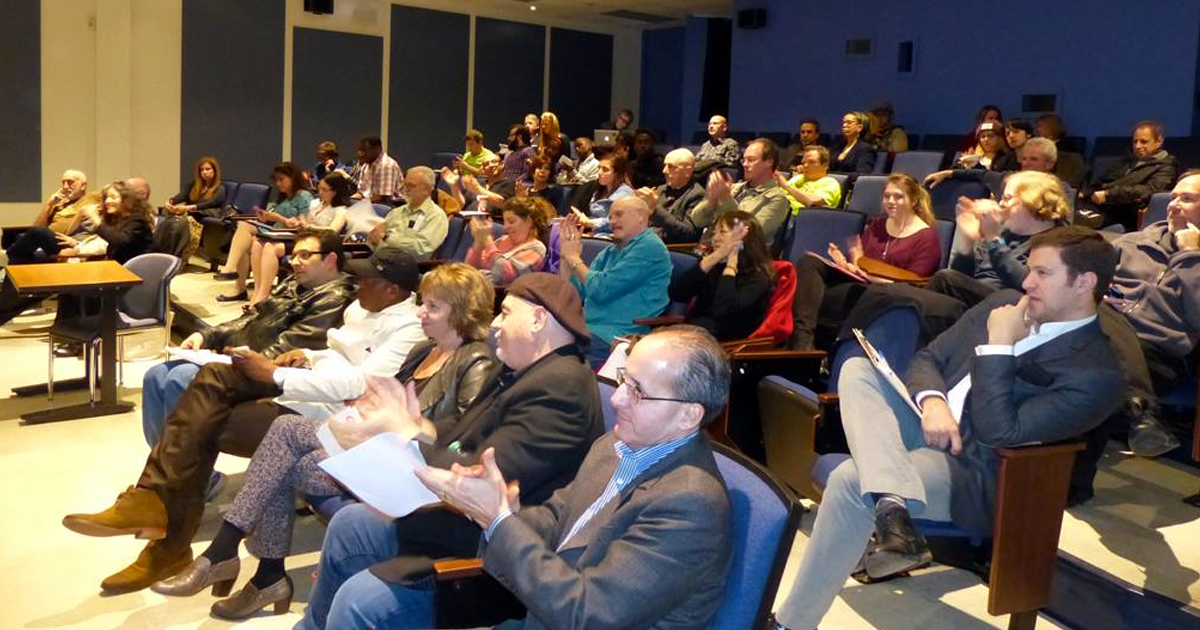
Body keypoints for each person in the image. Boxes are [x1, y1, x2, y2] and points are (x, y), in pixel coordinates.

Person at [772, 226, 1125, 630]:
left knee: (853, 481)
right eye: (1029, 270)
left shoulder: (1097, 374)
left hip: (975, 469)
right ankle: (893, 506)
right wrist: (933, 401)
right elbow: (928, 359)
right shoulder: (1005, 301)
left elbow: (1001, 433)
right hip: (925, 424)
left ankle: (791, 622)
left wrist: (999, 346)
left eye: (1043, 274)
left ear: (1085, 283)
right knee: (858, 368)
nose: (1026, 282)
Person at [149, 263, 494, 620]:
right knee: (286, 451)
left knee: (285, 432)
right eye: (423, 302)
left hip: (415, 474)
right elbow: (382, 398)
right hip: (379, 452)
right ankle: (260, 572)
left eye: (433, 307)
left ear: (463, 312)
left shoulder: (476, 360)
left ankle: (233, 558)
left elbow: (460, 436)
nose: (421, 311)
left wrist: (403, 424)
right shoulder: (423, 350)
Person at [296, 272, 604, 630]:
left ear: (538, 320)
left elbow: (478, 478)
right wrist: (420, 429)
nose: (496, 325)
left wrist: (404, 432)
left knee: (359, 599)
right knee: (350, 524)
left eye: (505, 313)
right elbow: (461, 437)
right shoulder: (523, 370)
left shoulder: (559, 387)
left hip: (493, 551)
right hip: (462, 521)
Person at [62, 229, 357, 594]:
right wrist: (209, 336)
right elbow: (249, 321)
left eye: (303, 255)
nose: (292, 261)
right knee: (159, 376)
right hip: (251, 364)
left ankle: (166, 500)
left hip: (278, 376)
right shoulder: (292, 287)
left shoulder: (339, 297)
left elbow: (292, 347)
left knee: (185, 381)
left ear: (330, 260)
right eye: (292, 255)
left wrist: (228, 356)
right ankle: (168, 494)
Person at [416, 325, 734, 630]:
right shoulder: (613, 446)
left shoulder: (691, 505)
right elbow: (558, 517)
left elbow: (587, 615)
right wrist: (504, 513)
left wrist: (499, 521)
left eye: (638, 392)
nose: (616, 399)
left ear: (688, 415)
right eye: (624, 380)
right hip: (538, 609)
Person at [842, 171, 1071, 343]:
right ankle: (847, 349)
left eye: (1009, 198)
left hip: (1010, 310)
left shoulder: (1057, 240)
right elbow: (964, 277)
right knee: (888, 294)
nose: (1001, 203)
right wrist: (967, 241)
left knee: (939, 283)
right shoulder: (1002, 232)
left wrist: (992, 240)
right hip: (969, 305)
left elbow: (1029, 284)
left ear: (1033, 202)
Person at [1100, 171, 1200, 460]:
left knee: (1085, 376)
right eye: (1173, 197)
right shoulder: (1132, 242)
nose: (1173, 204)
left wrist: (1191, 255)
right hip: (1103, 331)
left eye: (1187, 199)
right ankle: (1143, 414)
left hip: (1159, 353)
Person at [790, 173, 940, 350]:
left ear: (914, 200)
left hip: (888, 294)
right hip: (862, 283)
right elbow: (863, 265)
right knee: (809, 262)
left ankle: (802, 346)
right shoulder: (878, 225)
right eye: (887, 196)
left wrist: (871, 276)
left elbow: (914, 287)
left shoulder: (927, 237)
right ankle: (803, 342)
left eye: (898, 197)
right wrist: (845, 264)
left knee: (815, 296)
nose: (890, 201)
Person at [559, 196, 672, 368]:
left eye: (618, 215)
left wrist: (574, 258)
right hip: (585, 329)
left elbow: (601, 290)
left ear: (641, 216)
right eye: (610, 217)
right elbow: (573, 293)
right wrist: (565, 255)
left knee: (555, 370)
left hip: (614, 337)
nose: (612, 221)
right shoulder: (610, 251)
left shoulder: (650, 247)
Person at [245, 171, 353, 308]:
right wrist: (299, 222)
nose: (320, 192)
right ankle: (257, 292)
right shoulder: (316, 205)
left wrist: (310, 227)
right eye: (319, 189)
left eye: (324, 190)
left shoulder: (341, 210)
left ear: (335, 192)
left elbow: (333, 231)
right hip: (304, 238)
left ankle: (263, 297)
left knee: (269, 248)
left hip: (318, 245)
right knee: (257, 244)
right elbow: (305, 222)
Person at [215, 162, 313, 302]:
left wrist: (280, 218)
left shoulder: (304, 196)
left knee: (250, 239)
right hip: (275, 231)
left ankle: (239, 278)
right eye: (276, 180)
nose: (278, 183)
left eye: (282, 179)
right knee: (243, 230)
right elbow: (272, 214)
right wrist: (265, 216)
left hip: (290, 235)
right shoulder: (282, 196)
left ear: (293, 178)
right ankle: (242, 287)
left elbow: (304, 224)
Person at [670, 211, 775, 340]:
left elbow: (724, 312)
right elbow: (677, 293)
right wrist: (715, 257)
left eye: (722, 232)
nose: (715, 238)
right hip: (692, 335)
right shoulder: (713, 265)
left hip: (724, 345)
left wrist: (731, 265)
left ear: (743, 240)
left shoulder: (758, 276)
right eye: (714, 232)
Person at [1082, 120, 1179, 232]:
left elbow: (1150, 190)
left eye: (1144, 142)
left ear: (1158, 142)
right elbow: (1104, 181)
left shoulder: (1167, 166)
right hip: (1101, 207)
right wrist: (1086, 192)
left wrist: (1109, 194)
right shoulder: (1128, 161)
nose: (1138, 146)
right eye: (1135, 141)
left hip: (1125, 214)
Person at [692, 138, 791, 243]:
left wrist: (725, 199)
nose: (744, 164)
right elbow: (697, 220)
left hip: (743, 256)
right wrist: (711, 200)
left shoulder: (777, 199)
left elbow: (749, 236)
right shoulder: (733, 188)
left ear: (769, 162)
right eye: (744, 160)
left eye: (751, 160)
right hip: (712, 248)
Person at [926, 137, 1059, 199]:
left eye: (1034, 159)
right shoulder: (1009, 178)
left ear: (1050, 164)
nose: (1026, 163)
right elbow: (981, 174)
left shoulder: (1060, 190)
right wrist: (949, 173)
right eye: (1024, 158)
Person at [368, 166, 449, 261]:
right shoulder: (396, 212)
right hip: (380, 260)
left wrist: (386, 238)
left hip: (405, 267)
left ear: (427, 189)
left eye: (411, 185)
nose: (405, 189)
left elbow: (421, 250)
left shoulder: (436, 216)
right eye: (405, 185)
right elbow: (375, 240)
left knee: (351, 268)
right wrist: (374, 238)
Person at [154, 156, 226, 262]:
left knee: (180, 224)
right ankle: (160, 254)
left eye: (208, 169)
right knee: (166, 220)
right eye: (202, 170)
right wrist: (170, 202)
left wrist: (188, 208)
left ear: (215, 171)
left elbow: (211, 203)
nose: (205, 172)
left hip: (203, 214)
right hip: (189, 213)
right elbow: (181, 196)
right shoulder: (193, 185)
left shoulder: (220, 188)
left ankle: (176, 258)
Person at [466, 196, 550, 284]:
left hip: (497, 294)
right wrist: (479, 241)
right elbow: (470, 267)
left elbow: (506, 275)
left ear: (529, 222)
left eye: (511, 221)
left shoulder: (537, 248)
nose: (505, 227)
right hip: (474, 285)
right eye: (504, 222)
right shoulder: (503, 240)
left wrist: (487, 239)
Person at [636, 147, 707, 243]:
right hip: (646, 241)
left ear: (688, 171)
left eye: (671, 166)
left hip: (671, 249)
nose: (664, 171)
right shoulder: (661, 189)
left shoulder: (698, 195)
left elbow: (689, 233)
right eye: (665, 165)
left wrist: (655, 209)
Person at [775, 146, 843, 213]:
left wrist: (786, 186)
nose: (805, 165)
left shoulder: (830, 183)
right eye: (803, 162)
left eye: (811, 162)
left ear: (825, 165)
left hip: (798, 218)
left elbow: (812, 202)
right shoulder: (798, 178)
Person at [352, 135, 404, 204]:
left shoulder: (386, 165)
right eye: (360, 150)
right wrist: (349, 201)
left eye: (365, 150)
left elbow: (381, 198)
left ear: (377, 149)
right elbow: (361, 193)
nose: (361, 154)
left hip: (390, 205)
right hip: (369, 203)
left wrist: (359, 205)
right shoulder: (366, 165)